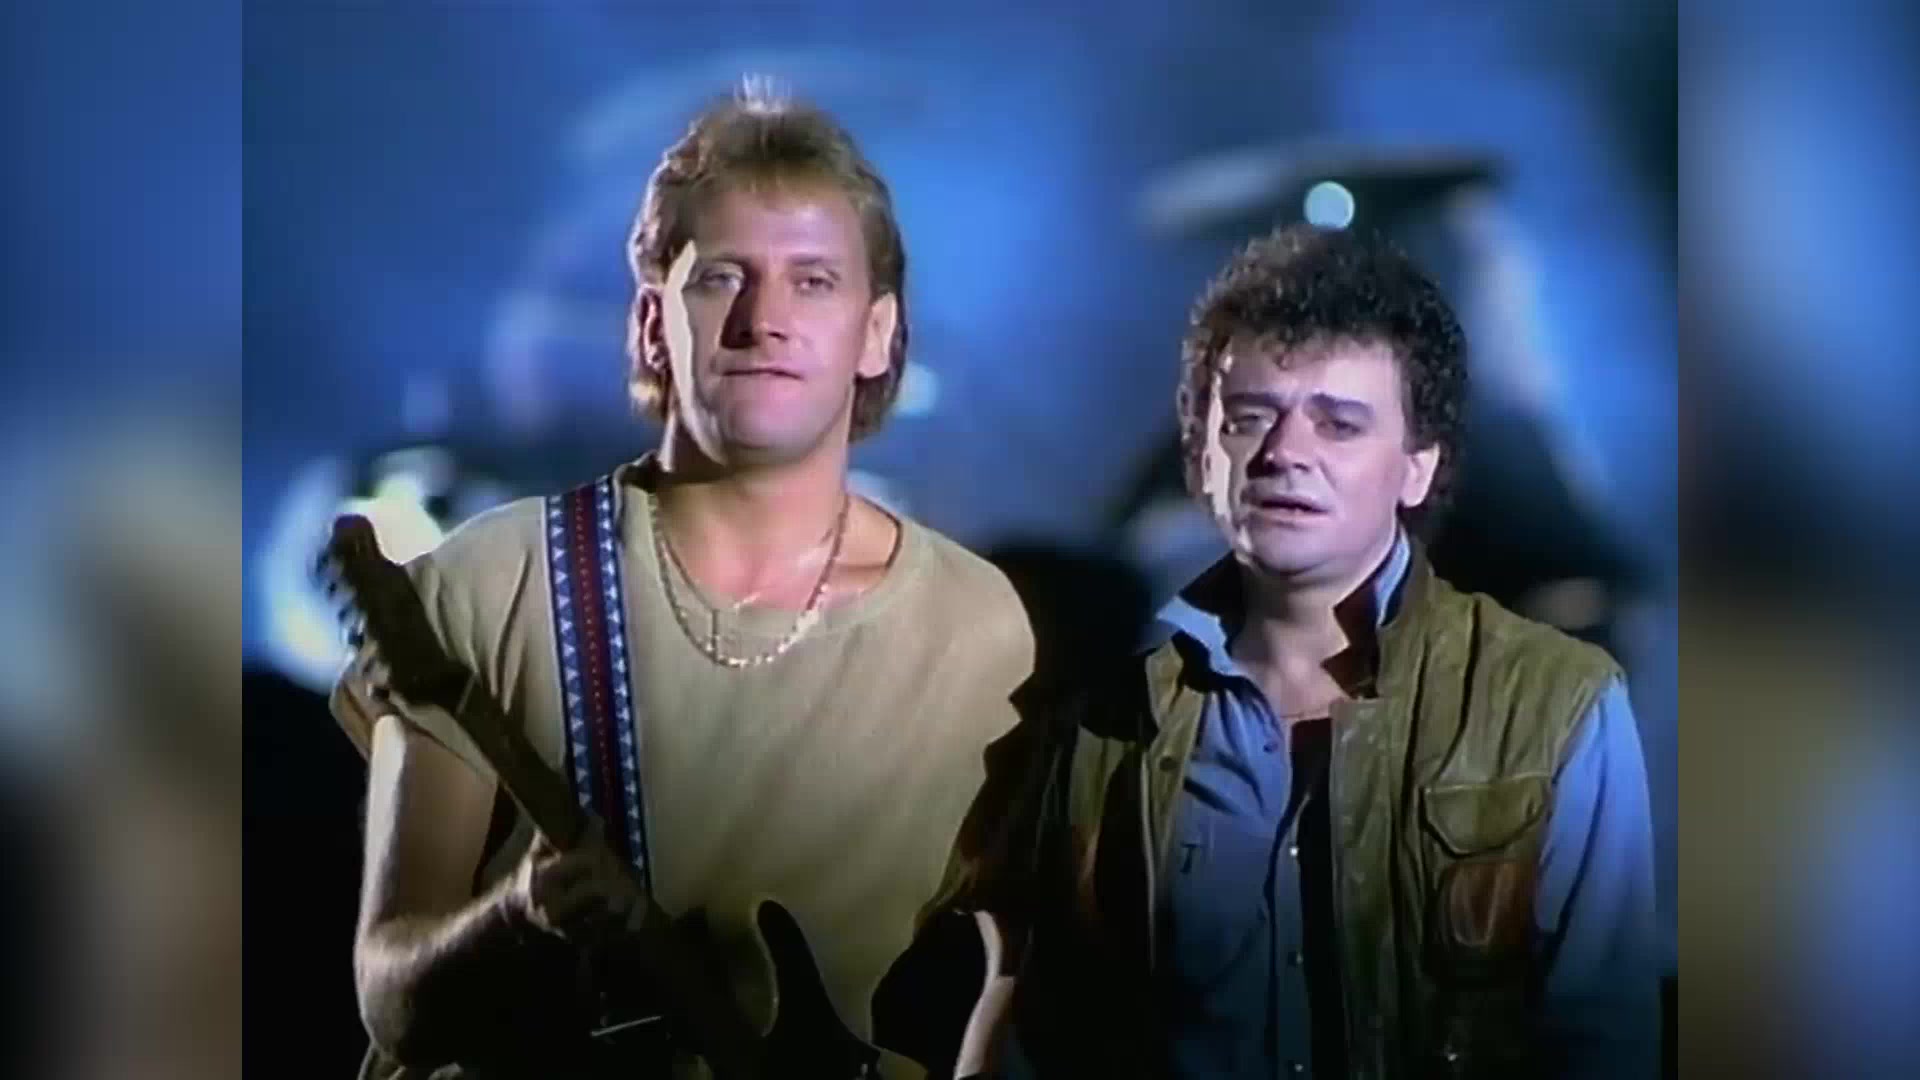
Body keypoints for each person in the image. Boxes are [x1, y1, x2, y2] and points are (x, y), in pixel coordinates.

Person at [329, 81, 1033, 1079]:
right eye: (722, 278)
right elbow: (395, 1003)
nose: (764, 319)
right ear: (656, 321)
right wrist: (517, 918)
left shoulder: (981, 630)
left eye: (814, 281)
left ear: (878, 333)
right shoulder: (489, 583)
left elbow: (1037, 966)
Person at [943, 224, 1659, 1079]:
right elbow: (1036, 1027)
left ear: (1417, 468)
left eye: (1340, 424)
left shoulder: (1560, 706)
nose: (1286, 454)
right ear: (1201, 454)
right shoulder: (1102, 730)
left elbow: (1604, 1039)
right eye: (1251, 419)